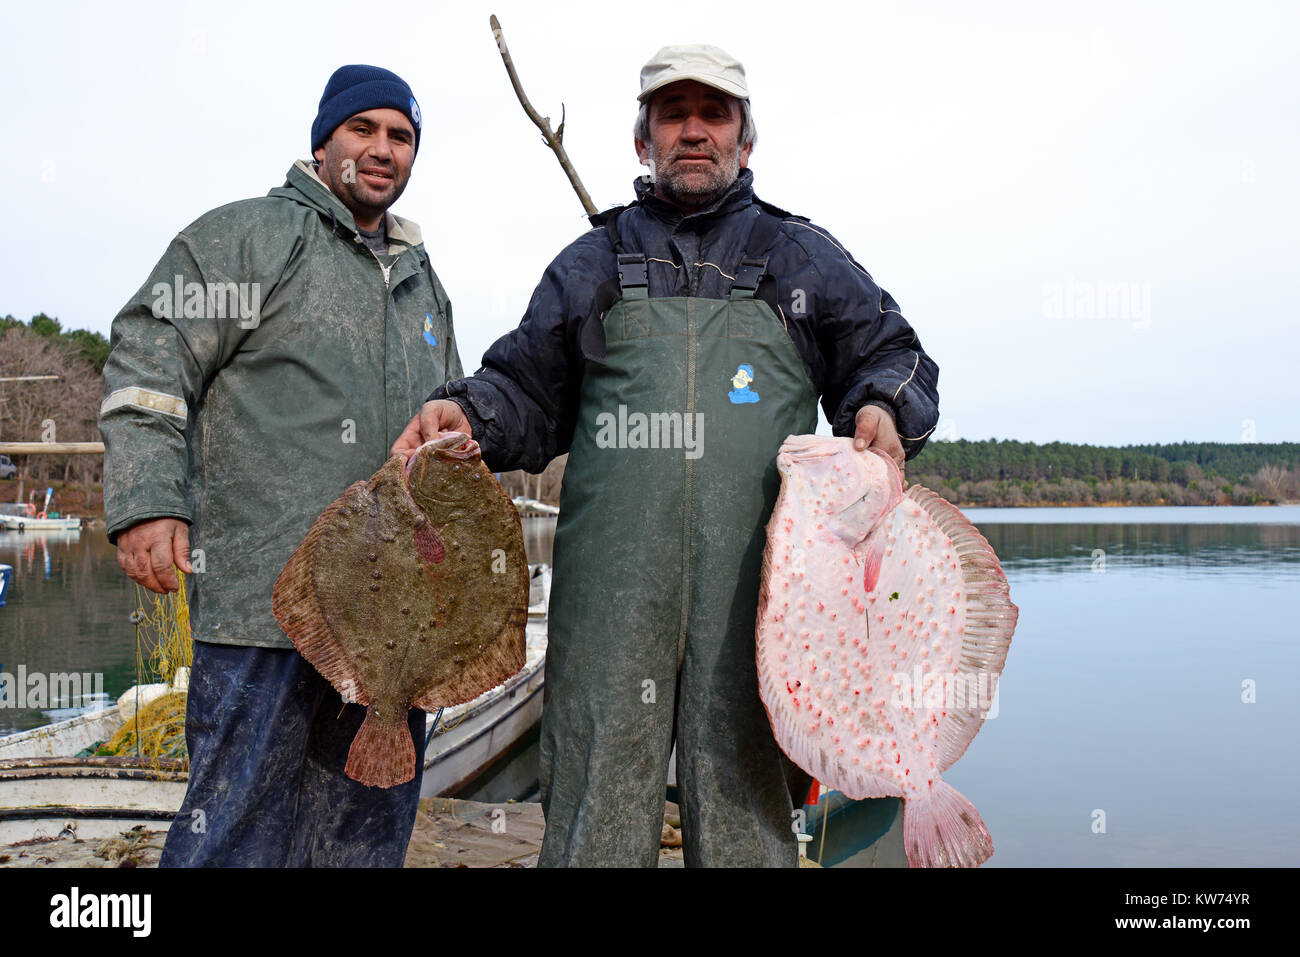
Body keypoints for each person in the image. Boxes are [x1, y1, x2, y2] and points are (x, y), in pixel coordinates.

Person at [391, 44, 940, 867]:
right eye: (672, 115)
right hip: (611, 595)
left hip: (762, 602)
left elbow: (893, 356)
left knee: (750, 808)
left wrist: (882, 406)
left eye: (712, 115)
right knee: (592, 813)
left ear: (744, 141)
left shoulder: (801, 260)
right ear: (642, 140)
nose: (693, 131)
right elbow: (525, 392)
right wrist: (465, 411)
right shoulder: (593, 265)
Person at [100, 65, 463, 866]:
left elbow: (447, 448)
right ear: (322, 141)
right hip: (260, 607)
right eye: (362, 130)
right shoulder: (246, 239)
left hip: (388, 632)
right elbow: (150, 359)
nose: (381, 150)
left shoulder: (424, 285)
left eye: (400, 136)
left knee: (361, 839)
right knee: (233, 831)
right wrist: (146, 498)